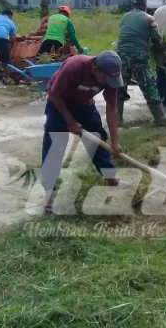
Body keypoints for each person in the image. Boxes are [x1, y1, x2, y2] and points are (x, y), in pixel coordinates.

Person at [41, 51, 126, 214]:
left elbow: (111, 108)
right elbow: (55, 94)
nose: (109, 83)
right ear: (96, 69)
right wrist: (70, 122)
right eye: (106, 79)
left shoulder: (111, 78)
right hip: (58, 104)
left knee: (98, 140)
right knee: (54, 146)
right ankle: (49, 195)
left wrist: (115, 142)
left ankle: (111, 179)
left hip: (85, 105)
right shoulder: (74, 67)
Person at [116, 0, 166, 125]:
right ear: (145, 6)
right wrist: (156, 47)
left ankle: (117, 119)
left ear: (132, 5)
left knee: (120, 86)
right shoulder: (149, 18)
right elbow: (158, 40)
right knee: (149, 85)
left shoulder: (124, 16)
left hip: (120, 55)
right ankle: (159, 117)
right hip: (138, 56)